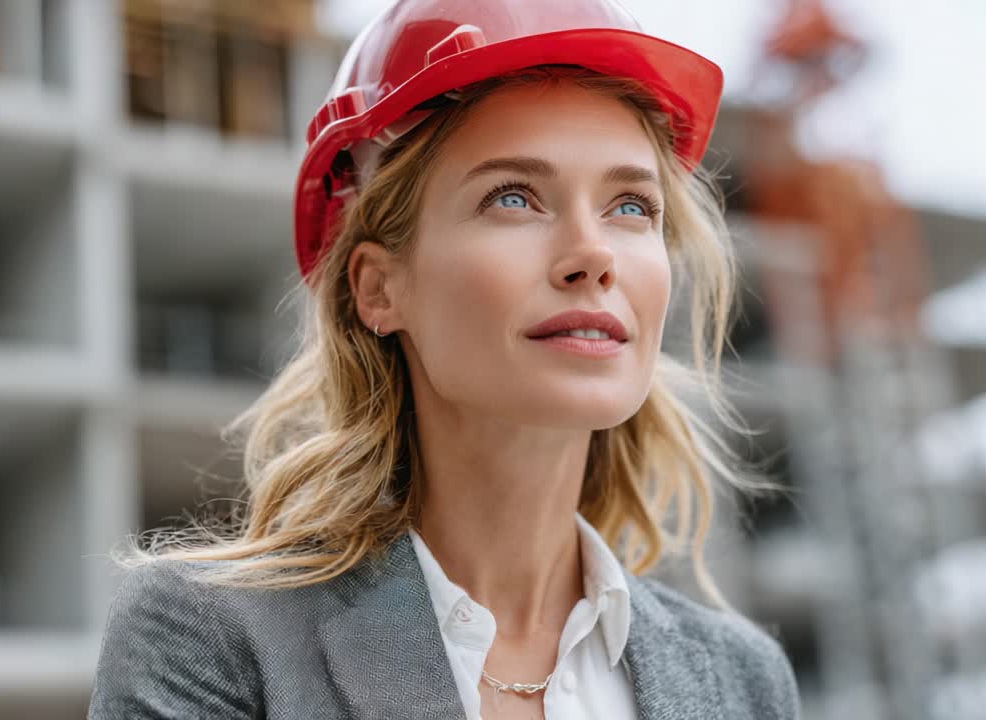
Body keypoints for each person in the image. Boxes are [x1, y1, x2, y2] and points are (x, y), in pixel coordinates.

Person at [88, 0, 801, 718]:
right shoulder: (211, 640)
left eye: (632, 207)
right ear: (378, 287)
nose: (594, 255)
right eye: (515, 197)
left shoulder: (744, 681)